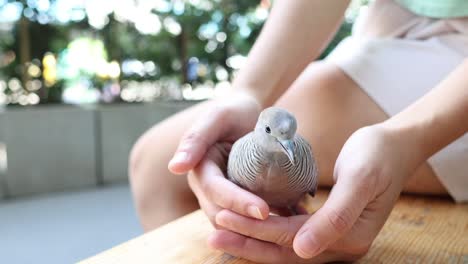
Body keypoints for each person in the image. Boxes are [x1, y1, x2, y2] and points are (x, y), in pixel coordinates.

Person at [129, 0, 468, 262]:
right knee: (156, 160)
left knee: (159, 165)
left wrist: (406, 141)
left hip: (456, 58)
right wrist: (248, 92)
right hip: (387, 32)